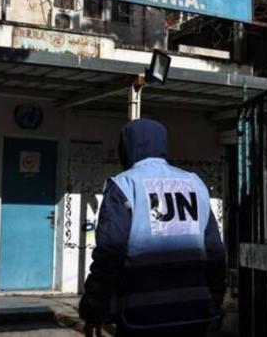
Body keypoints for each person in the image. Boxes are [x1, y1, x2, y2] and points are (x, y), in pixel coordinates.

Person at [79, 119, 226, 337]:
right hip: (195, 312)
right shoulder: (196, 184)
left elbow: (109, 253)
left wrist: (94, 309)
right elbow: (215, 252)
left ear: (126, 146)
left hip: (141, 314)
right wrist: (215, 300)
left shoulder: (124, 184)